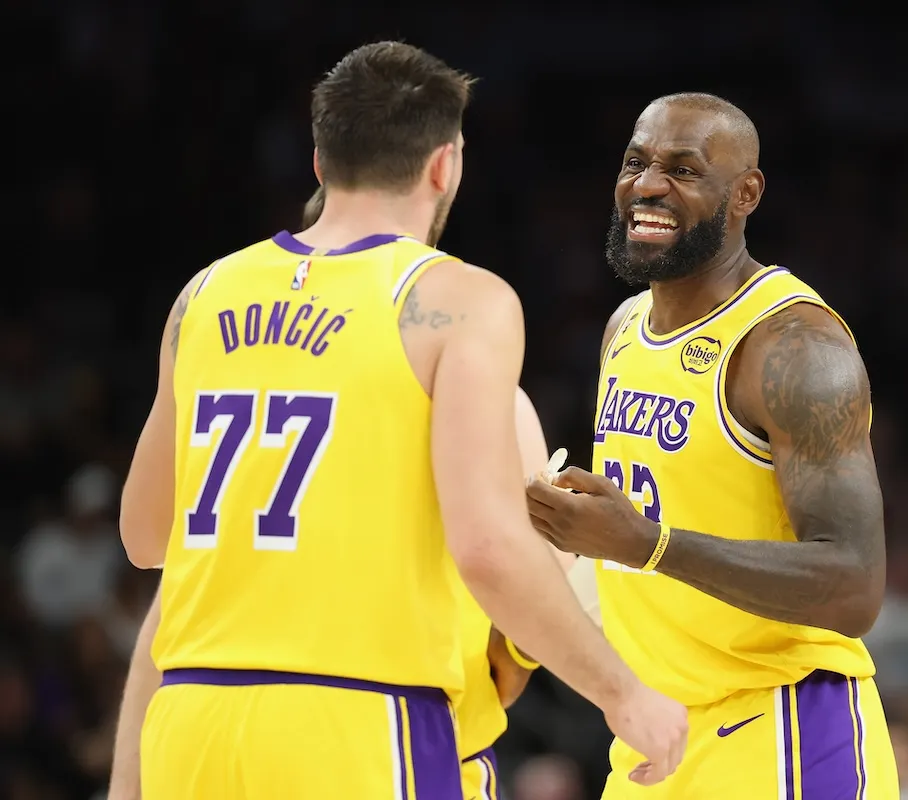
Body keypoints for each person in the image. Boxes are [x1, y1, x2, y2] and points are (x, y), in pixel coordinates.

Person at [118, 42, 686, 799]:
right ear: (444, 165)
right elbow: (486, 548)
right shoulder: (455, 300)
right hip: (359, 725)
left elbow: (145, 535)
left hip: (189, 725)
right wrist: (622, 693)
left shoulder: (203, 293)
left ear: (319, 161)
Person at [108, 187, 577, 800]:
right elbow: (529, 620)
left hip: (201, 734)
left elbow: (162, 592)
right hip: (381, 732)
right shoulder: (468, 387)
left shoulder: (220, 360)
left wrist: (125, 787)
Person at [526, 92, 900, 799]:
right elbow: (638, 553)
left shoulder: (795, 347)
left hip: (783, 731)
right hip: (654, 738)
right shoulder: (624, 328)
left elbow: (855, 586)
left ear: (745, 192)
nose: (647, 186)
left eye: (683, 169)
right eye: (636, 162)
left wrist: (647, 544)